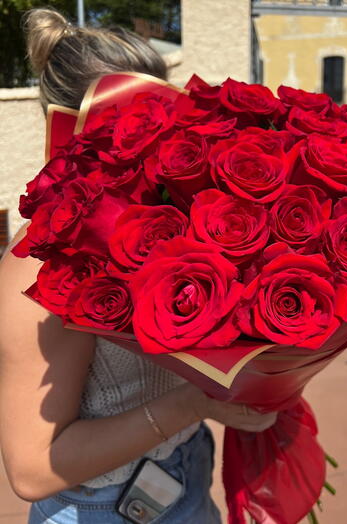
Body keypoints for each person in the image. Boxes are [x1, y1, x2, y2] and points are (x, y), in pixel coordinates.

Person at [0, 9, 277, 524]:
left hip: (186, 470)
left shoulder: (178, 216)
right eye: (136, 124)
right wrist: (196, 405)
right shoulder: (36, 263)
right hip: (100, 509)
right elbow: (31, 469)